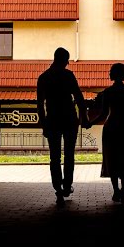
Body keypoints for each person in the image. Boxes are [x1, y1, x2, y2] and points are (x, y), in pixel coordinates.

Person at [37, 47, 91, 207]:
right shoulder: (68, 75)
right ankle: (67, 186)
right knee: (69, 155)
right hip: (69, 120)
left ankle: (58, 189)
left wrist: (44, 123)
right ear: (65, 60)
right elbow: (79, 98)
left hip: (53, 120)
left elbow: (40, 104)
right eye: (67, 60)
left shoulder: (44, 77)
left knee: (54, 157)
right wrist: (85, 118)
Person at [95, 63, 124, 204]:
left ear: (114, 74)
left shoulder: (107, 92)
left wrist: (90, 122)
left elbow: (103, 113)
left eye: (110, 71)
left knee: (113, 158)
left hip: (111, 127)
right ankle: (123, 190)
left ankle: (116, 190)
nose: (108, 73)